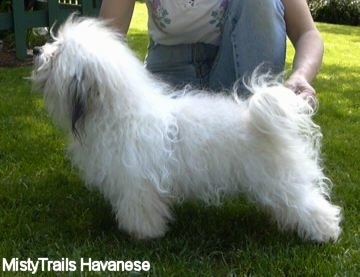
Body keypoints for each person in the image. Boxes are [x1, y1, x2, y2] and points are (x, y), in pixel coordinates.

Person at [100, 0, 323, 102]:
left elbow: (307, 33)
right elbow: (105, 43)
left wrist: (301, 75)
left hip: (234, 72)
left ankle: (262, 122)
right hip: (169, 76)